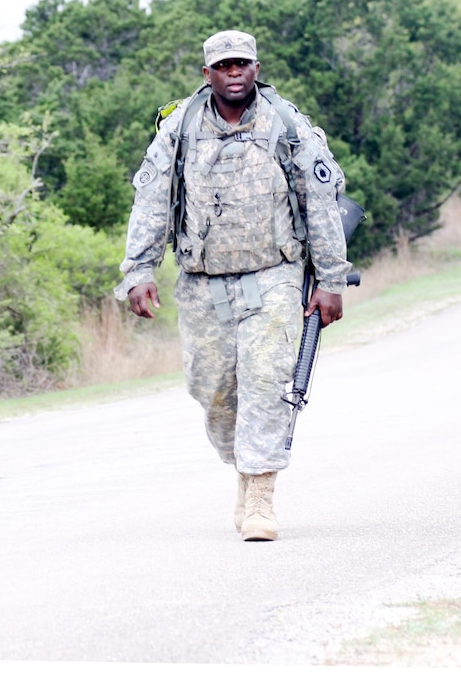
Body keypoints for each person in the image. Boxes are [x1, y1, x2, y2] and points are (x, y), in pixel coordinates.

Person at [114, 30, 352, 542]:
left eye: (242, 63)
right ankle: (245, 468)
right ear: (208, 74)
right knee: (215, 391)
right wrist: (138, 270)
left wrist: (331, 278)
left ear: (256, 66)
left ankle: (262, 498)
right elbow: (153, 200)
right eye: (223, 65)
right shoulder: (178, 128)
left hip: (274, 276)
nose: (234, 72)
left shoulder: (286, 124)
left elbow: (321, 199)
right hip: (202, 283)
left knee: (266, 382)